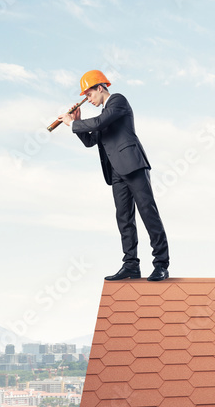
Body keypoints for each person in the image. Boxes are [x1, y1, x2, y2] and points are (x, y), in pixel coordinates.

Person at [59, 70, 170, 281]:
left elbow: (100, 123)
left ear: (100, 88)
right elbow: (91, 141)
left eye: (89, 95)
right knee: (124, 218)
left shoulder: (118, 101)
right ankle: (131, 265)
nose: (88, 99)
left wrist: (71, 123)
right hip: (116, 171)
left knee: (148, 213)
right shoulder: (103, 114)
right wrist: (79, 124)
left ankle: (161, 264)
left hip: (133, 166)